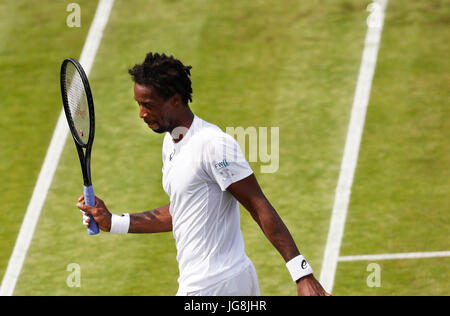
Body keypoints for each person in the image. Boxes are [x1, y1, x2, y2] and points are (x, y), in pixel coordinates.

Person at [76, 52, 330, 296]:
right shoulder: (172, 142)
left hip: (210, 286)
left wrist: (302, 274)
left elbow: (257, 204)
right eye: (139, 104)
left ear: (175, 99)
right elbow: (183, 210)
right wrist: (115, 221)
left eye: (147, 105)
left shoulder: (212, 144)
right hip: (230, 279)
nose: (141, 113)